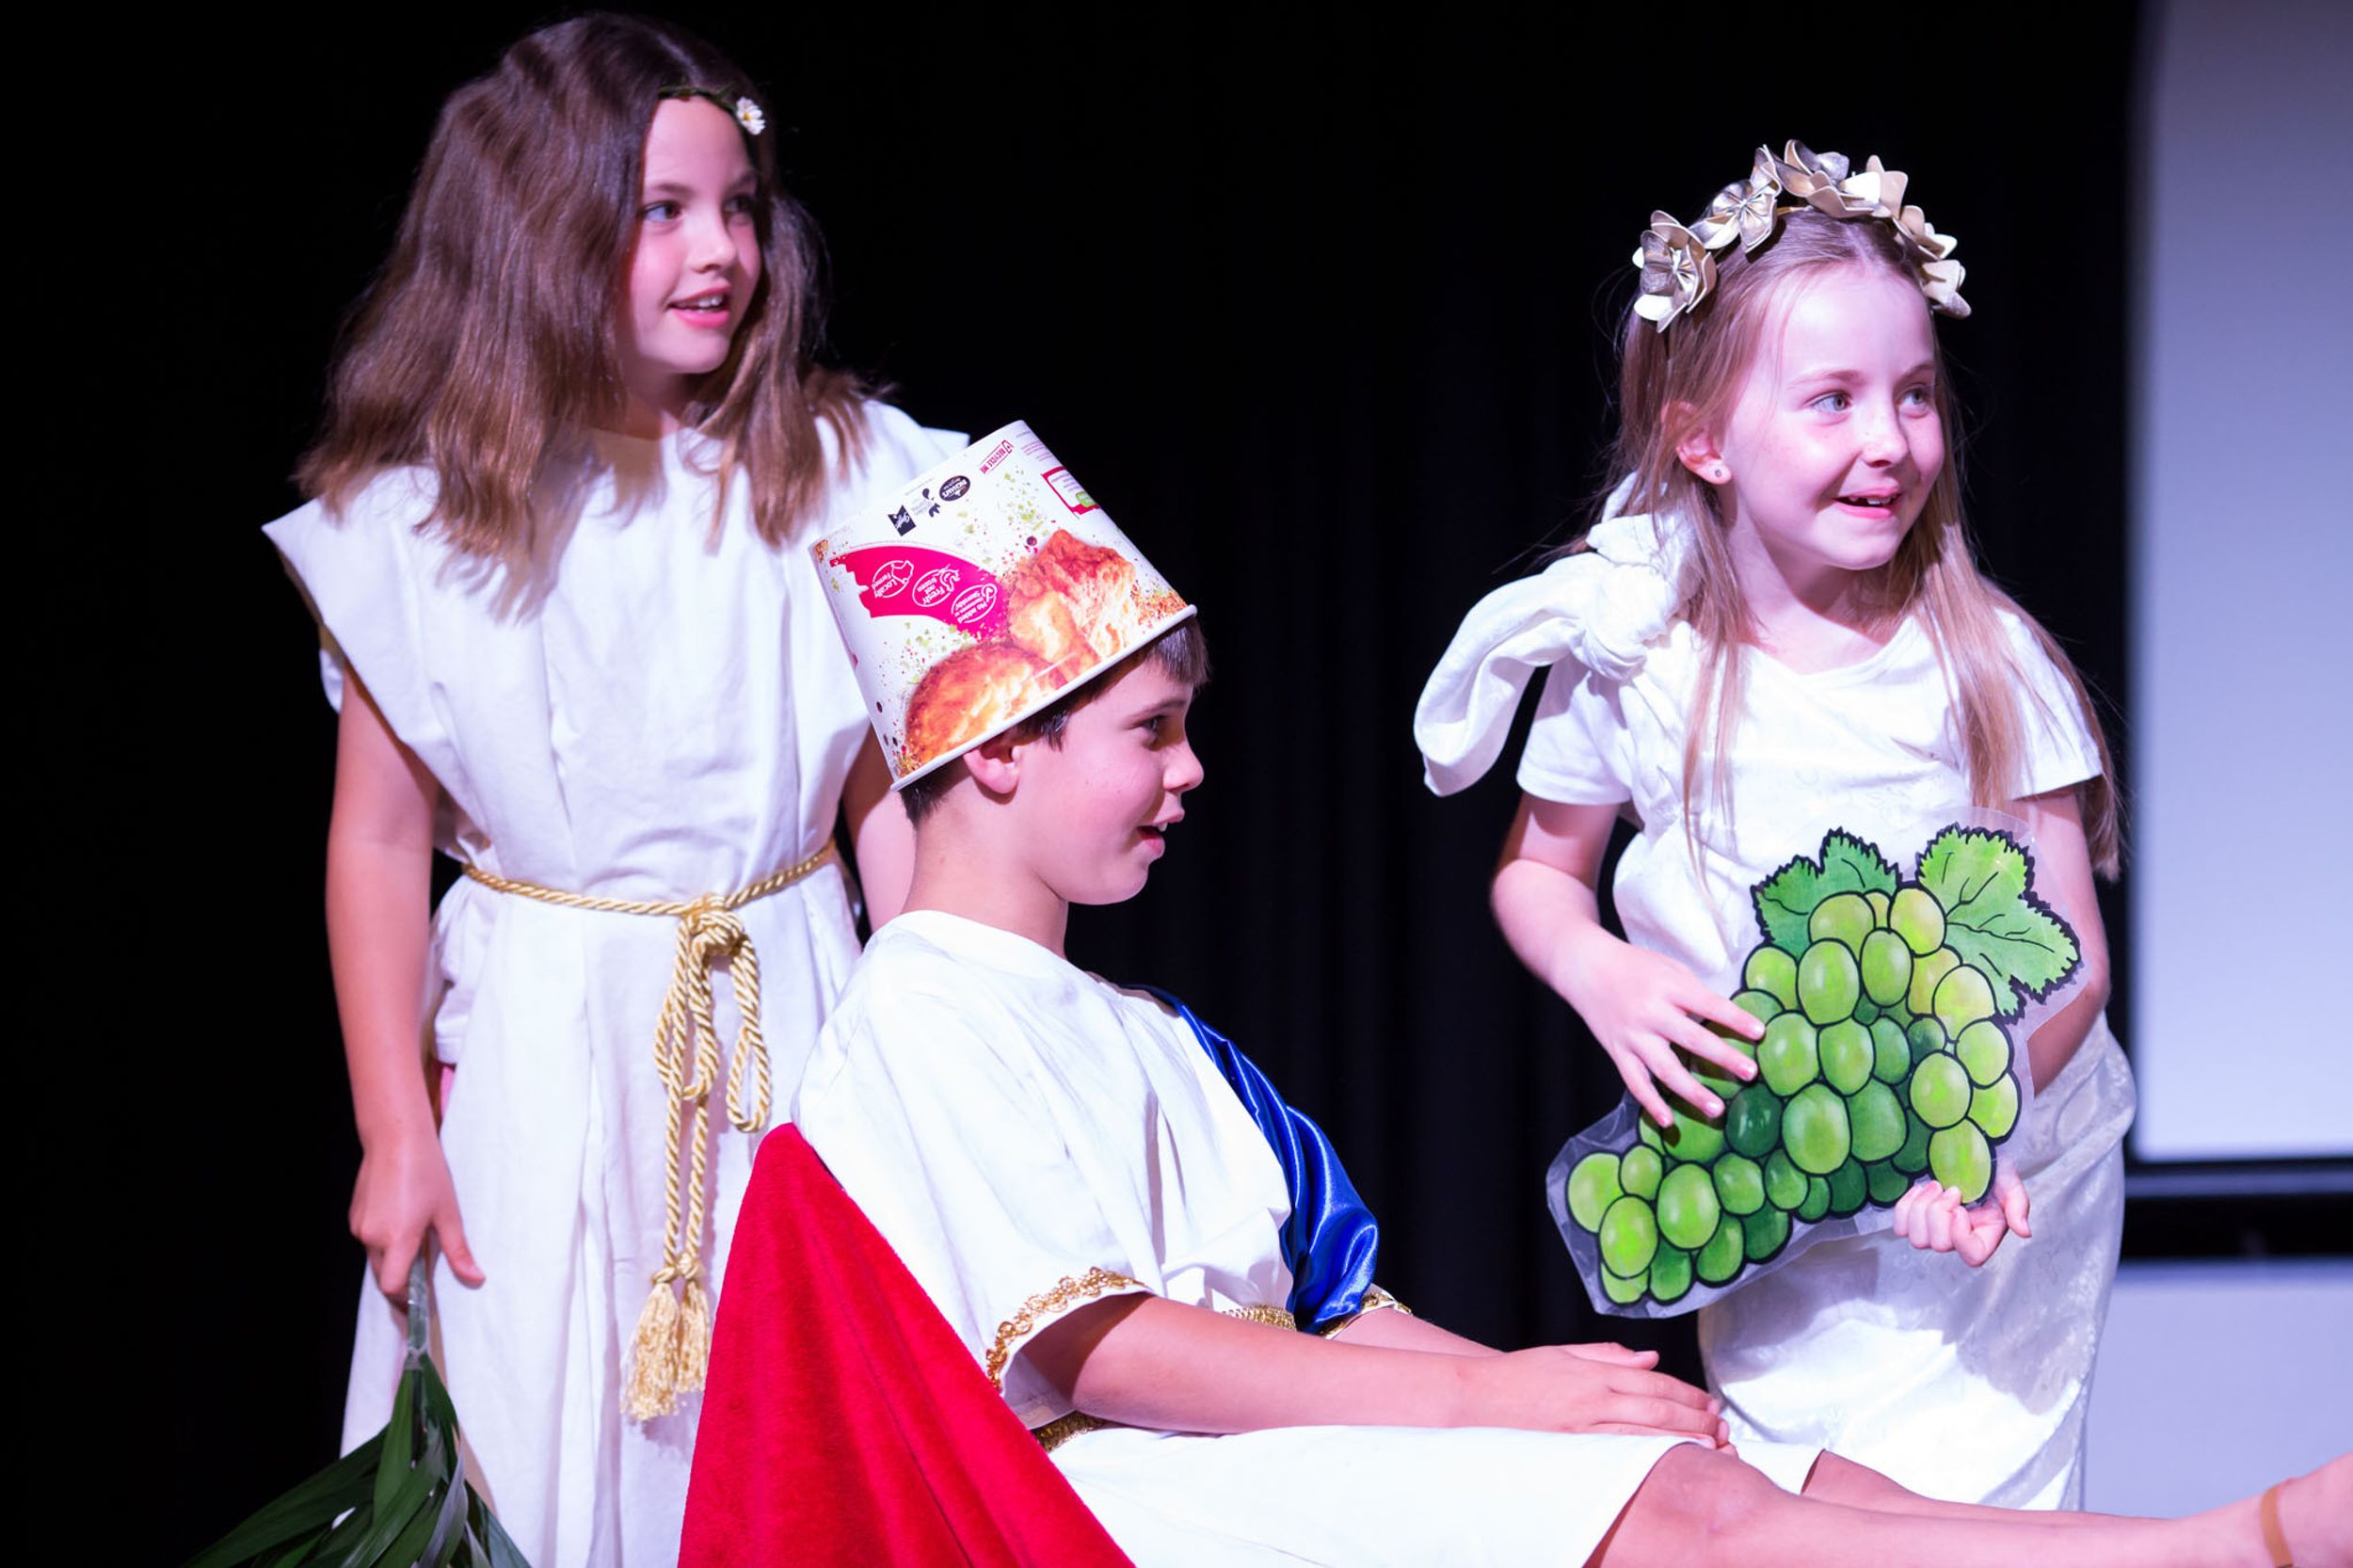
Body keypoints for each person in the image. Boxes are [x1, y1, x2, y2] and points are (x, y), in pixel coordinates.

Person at [776, 436, 2342, 1568]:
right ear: (1000, 749)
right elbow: (1107, 1353)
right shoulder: (923, 1008)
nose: (1191, 770)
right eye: (1150, 731)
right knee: (1682, 1509)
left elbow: (1338, 1304)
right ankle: (2227, 1550)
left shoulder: (1139, 1026)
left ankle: (2204, 1539)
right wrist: (1489, 1398)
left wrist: (1558, 1392)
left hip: (1252, 1449)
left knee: (1730, 1452)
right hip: (1133, 1489)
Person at [261, 16, 958, 1563]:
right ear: (541, 231)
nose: (720, 251)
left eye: (739, 209)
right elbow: (377, 840)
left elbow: (888, 801)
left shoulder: (837, 470)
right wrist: (394, 1128)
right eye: (663, 212)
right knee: (539, 1437)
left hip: (791, 1024)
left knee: (794, 1452)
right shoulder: (433, 521)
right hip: (545, 1056)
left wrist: (937, 1049)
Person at [1414, 142, 2134, 1506]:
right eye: (1833, 400)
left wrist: (1975, 1132)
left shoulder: (1987, 659)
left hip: (1985, 1192)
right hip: (1780, 1176)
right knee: (1809, 1503)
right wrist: (1601, 971)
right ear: (1703, 438)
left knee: (1972, 1519)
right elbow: (1538, 874)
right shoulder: (1637, 656)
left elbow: (2074, 960)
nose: (1890, 440)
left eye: (1914, 394)